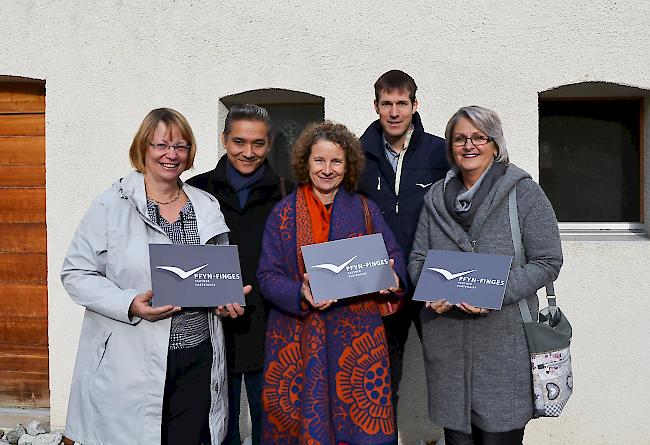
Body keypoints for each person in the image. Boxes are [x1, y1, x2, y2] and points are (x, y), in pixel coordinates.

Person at [60, 108, 246, 445]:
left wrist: (226, 300)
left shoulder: (206, 206)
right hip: (130, 359)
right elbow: (75, 273)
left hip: (196, 356)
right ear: (143, 148)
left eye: (181, 146)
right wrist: (128, 302)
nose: (171, 155)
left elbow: (215, 275)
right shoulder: (110, 206)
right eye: (161, 145)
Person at [408, 105, 563, 445]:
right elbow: (418, 257)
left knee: (499, 438)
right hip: (448, 346)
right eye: (460, 138)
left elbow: (548, 259)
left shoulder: (523, 193)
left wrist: (494, 293)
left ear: (495, 145)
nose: (469, 145)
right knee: (458, 439)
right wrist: (429, 289)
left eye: (479, 137)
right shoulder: (435, 196)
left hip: (504, 345)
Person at [257, 121, 407, 444]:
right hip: (298, 342)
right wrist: (300, 292)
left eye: (336, 161)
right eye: (319, 160)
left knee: (360, 431)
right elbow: (266, 277)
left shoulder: (366, 210)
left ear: (348, 165)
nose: (327, 169)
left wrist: (393, 278)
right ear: (305, 162)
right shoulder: (283, 214)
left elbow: (395, 259)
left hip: (357, 346)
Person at [188, 104, 293, 445]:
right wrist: (209, 296)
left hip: (272, 330)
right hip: (213, 331)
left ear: (269, 142)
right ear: (223, 139)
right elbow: (183, 261)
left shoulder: (287, 192)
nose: (248, 152)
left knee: (273, 430)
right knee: (218, 432)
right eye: (239, 141)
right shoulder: (195, 191)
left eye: (258, 143)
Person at [358, 69, 448, 410]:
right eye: (386, 104)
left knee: (446, 377)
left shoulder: (440, 153)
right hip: (379, 282)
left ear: (415, 105)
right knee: (380, 384)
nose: (394, 112)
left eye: (401, 103)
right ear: (376, 106)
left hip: (431, 282)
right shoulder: (356, 153)